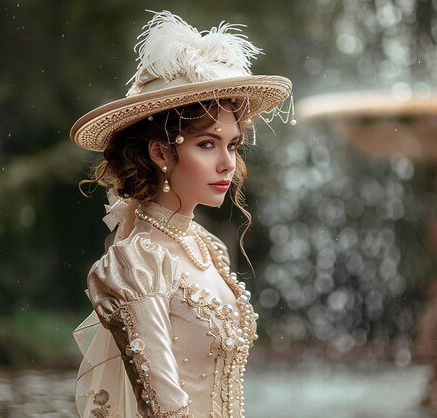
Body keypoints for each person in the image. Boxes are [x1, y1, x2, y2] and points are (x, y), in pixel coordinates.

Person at [70, 11, 293, 418]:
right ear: (160, 153)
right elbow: (165, 409)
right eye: (208, 144)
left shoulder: (206, 247)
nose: (228, 163)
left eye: (234, 144)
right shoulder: (137, 263)